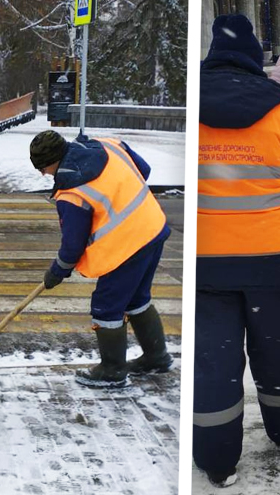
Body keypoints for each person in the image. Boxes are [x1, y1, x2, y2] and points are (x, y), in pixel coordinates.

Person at [196, 14, 280, 488]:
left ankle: (217, 462)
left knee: (212, 360)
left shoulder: (195, 104)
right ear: (255, 56)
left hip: (204, 264)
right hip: (277, 258)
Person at [31, 129, 172, 389]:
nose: (43, 174)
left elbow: (72, 247)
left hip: (127, 246)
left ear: (53, 161)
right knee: (137, 299)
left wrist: (56, 272)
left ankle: (112, 370)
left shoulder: (72, 194)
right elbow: (144, 168)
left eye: (43, 167)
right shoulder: (107, 145)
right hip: (154, 227)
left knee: (106, 306)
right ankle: (156, 357)